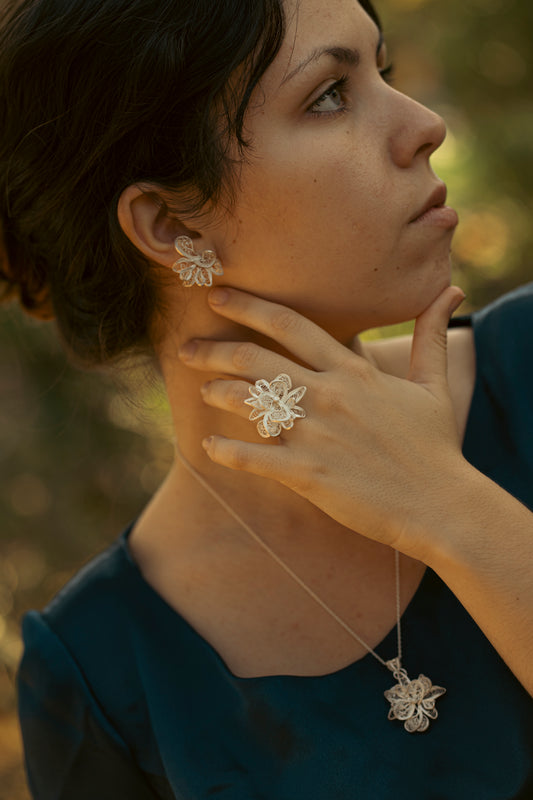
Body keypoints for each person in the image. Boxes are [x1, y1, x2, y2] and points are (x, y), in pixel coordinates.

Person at [1, 0, 531, 796]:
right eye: (328, 96)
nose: (424, 125)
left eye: (381, 69)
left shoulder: (524, 371)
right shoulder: (99, 679)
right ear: (170, 224)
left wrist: (451, 510)